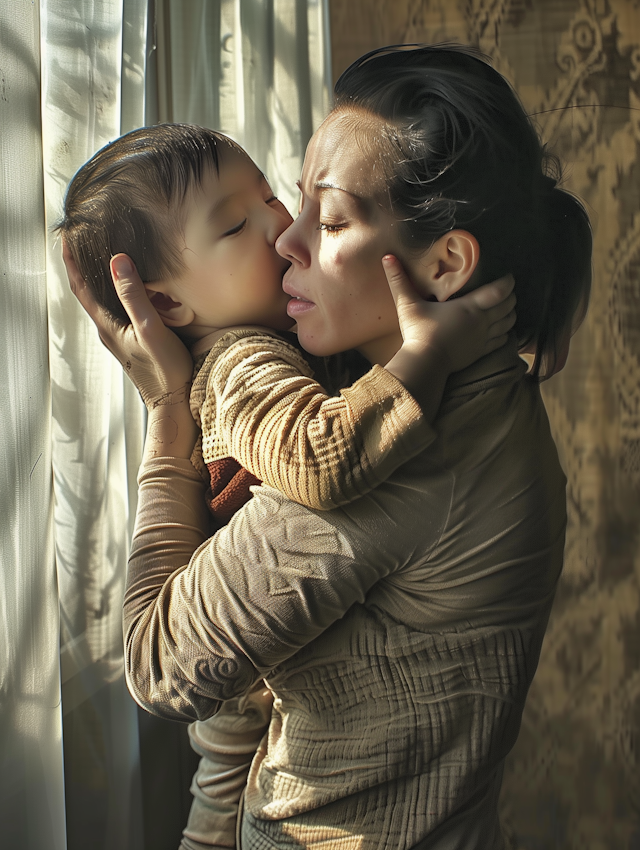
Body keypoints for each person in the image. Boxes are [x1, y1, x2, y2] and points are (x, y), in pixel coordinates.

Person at [65, 44, 592, 850]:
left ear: (447, 264)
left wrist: (168, 404)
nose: (285, 242)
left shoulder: (404, 443)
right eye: (296, 201)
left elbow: (158, 665)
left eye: (332, 218)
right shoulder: (487, 392)